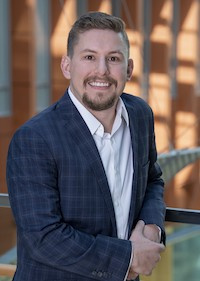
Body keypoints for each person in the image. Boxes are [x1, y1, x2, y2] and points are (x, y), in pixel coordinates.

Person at [6, 11, 166, 281]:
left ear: (128, 68)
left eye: (113, 59)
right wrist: (129, 258)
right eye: (89, 57)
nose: (101, 70)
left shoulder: (140, 115)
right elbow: (43, 237)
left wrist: (151, 227)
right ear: (67, 66)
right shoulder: (34, 138)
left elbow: (152, 179)